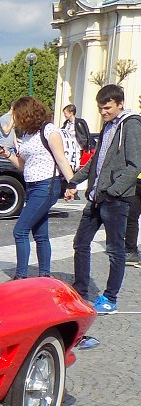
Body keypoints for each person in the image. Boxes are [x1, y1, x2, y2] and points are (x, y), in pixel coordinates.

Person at [63, 84, 141, 314]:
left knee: (115, 250)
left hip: (115, 199)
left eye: (107, 108)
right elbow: (95, 161)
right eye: (100, 108)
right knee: (80, 242)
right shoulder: (108, 125)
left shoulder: (131, 124)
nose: (103, 112)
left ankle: (110, 298)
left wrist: (114, 190)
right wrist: (73, 181)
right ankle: (81, 290)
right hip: (97, 197)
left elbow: (135, 164)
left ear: (119, 104)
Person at [2, 97, 75, 280]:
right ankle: (44, 276)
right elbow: (23, 164)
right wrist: (8, 154)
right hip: (32, 186)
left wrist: (72, 184)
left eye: (16, 114)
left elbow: (61, 159)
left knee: (20, 230)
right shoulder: (27, 134)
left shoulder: (49, 131)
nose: (14, 118)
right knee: (40, 233)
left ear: (26, 114)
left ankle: (21, 276)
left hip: (46, 185)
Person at [126, 172, 141, 267]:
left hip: (135, 179)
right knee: (131, 217)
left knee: (131, 218)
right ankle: (131, 251)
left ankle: (131, 251)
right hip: (135, 179)